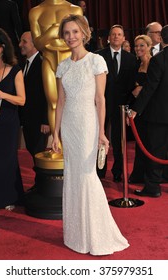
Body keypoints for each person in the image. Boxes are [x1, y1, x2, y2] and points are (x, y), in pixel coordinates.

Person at [52, 14, 129, 255]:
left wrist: (101, 133)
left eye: (75, 32)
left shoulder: (96, 61)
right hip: (69, 126)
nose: (71, 37)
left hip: (87, 125)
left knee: (87, 176)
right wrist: (55, 133)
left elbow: (100, 99)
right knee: (73, 176)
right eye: (66, 33)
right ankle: (76, 234)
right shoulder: (62, 66)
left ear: (84, 34)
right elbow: (60, 102)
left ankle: (96, 233)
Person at [28, 0, 82, 143]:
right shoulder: (36, 11)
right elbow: (38, 44)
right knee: (53, 102)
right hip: (49, 59)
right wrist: (51, 33)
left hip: (71, 59)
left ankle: (71, 142)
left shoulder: (74, 9)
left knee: (73, 102)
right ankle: (57, 143)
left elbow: (80, 38)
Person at [129, 25, 168, 197]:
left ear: (161, 39)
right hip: (159, 116)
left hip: (159, 117)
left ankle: (153, 187)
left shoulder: (159, 60)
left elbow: (150, 88)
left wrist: (135, 109)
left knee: (156, 151)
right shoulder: (158, 59)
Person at [0, 27, 25, 210]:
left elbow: (22, 100)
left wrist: (3, 95)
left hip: (8, 123)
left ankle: (10, 196)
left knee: (7, 159)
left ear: (2, 47)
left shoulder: (15, 70)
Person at [97, 25, 137, 181]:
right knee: (100, 138)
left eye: (119, 34)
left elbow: (131, 87)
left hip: (121, 106)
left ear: (123, 38)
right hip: (101, 105)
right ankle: (100, 171)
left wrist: (128, 107)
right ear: (108, 38)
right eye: (113, 34)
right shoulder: (98, 56)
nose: (116, 37)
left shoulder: (131, 59)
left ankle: (118, 171)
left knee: (119, 141)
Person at [19, 31, 50, 160]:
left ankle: (41, 180)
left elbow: (48, 94)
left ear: (35, 44)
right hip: (27, 120)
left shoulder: (44, 64)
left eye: (24, 41)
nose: (20, 44)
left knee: (38, 154)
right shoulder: (22, 64)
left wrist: (46, 120)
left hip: (39, 122)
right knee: (32, 151)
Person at [128, 35, 152, 184]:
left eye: (142, 45)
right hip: (137, 109)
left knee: (149, 142)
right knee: (140, 142)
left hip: (149, 108)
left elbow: (153, 87)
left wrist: (140, 89)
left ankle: (149, 176)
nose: (138, 49)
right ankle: (139, 174)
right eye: (136, 46)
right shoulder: (136, 64)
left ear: (149, 46)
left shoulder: (153, 63)